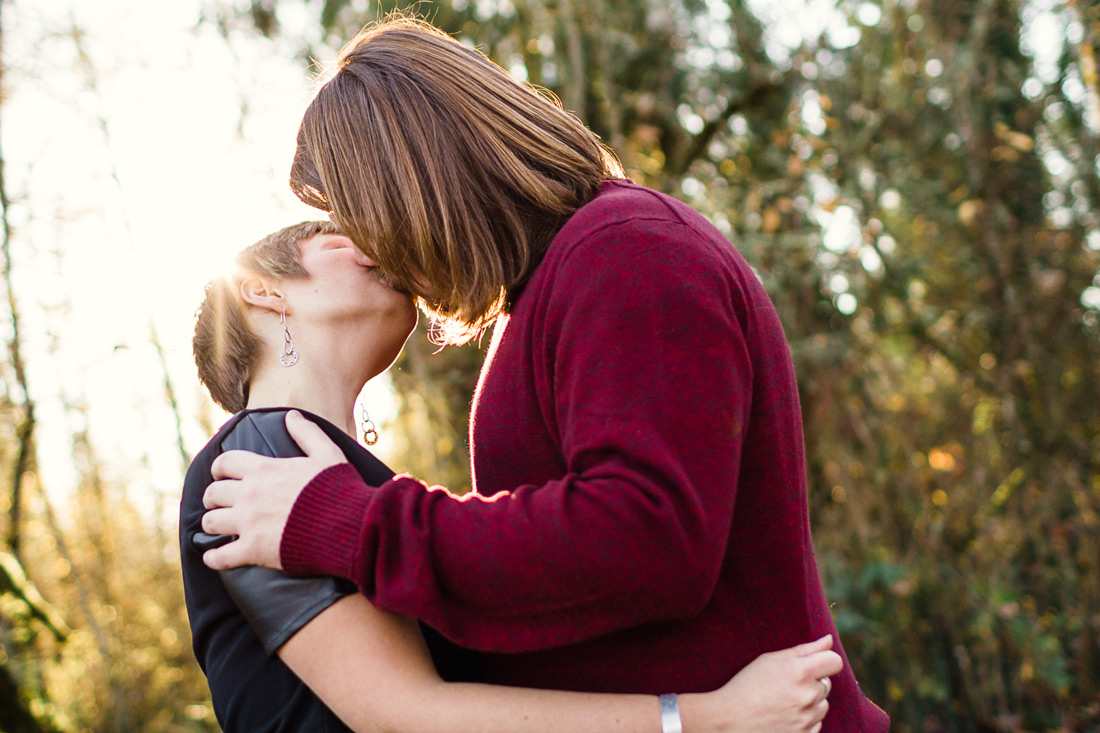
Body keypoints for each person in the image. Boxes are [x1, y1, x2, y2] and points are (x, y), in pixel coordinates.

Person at [199, 16, 890, 731]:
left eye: (352, 211)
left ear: (405, 181)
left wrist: (350, 524)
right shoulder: (551, 291)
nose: (366, 244)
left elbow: (648, 535)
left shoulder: (627, 253)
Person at [182, 220, 843, 732]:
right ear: (261, 288)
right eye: (333, 236)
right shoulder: (262, 456)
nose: (371, 240)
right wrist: (704, 717)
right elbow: (406, 715)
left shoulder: (337, 478)